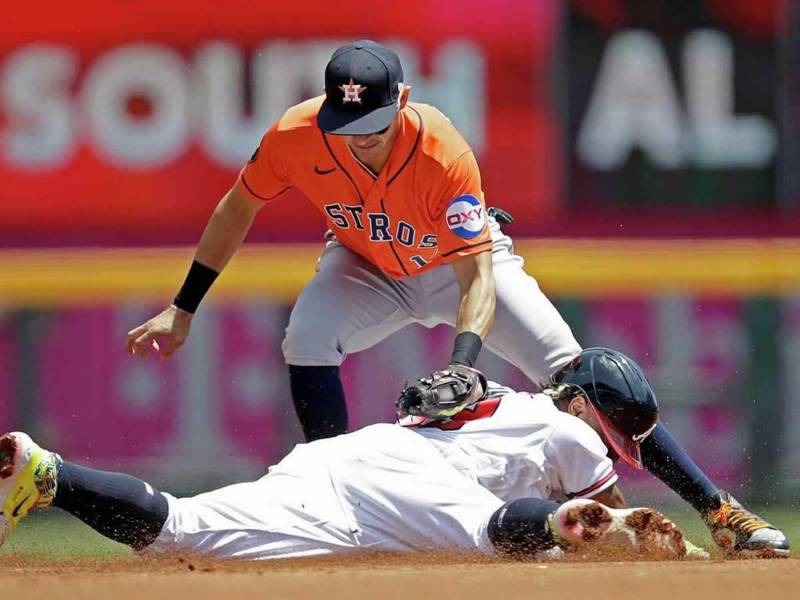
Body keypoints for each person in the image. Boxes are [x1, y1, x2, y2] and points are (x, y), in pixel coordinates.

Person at [122, 41, 787, 555]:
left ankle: (717, 508)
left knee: (584, 376)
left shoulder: (442, 151)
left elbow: (476, 281)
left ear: (404, 99)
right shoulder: (298, 136)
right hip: (364, 265)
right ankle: (338, 498)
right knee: (306, 336)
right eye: (347, 123)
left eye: (375, 124)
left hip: (455, 267)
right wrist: (185, 305)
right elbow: (238, 205)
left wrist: (465, 359)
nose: (361, 137)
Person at [1, 348, 705, 561]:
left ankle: (47, 475)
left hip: (346, 459)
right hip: (427, 487)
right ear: (585, 402)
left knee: (178, 531)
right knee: (528, 543)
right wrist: (666, 548)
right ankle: (553, 525)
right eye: (614, 418)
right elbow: (620, 533)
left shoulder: (502, 399)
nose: (613, 433)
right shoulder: (571, 429)